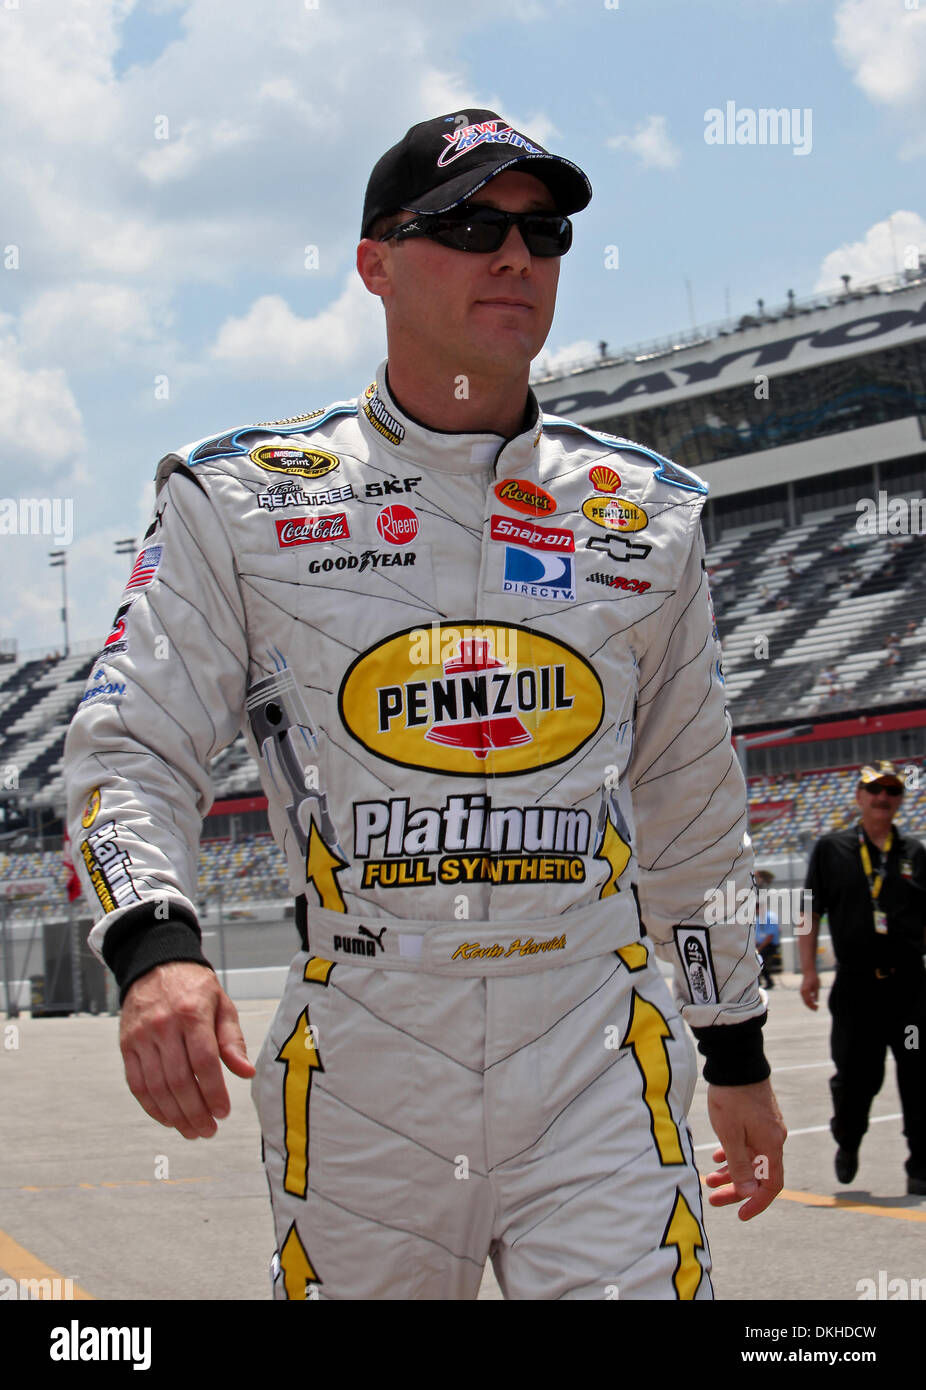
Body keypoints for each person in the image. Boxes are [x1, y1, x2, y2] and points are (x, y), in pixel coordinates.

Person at [64, 109, 785, 1300]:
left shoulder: (642, 517)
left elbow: (690, 804)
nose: (515, 257)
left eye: (541, 231)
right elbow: (127, 745)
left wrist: (735, 1046)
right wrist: (152, 947)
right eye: (466, 225)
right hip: (364, 1056)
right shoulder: (241, 499)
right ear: (374, 263)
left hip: (593, 1042)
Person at [799, 761, 926, 1193]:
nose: (883, 798)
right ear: (859, 796)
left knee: (917, 1071)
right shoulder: (831, 849)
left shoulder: (914, 853)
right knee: (856, 1075)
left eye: (891, 791)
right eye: (875, 790)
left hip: (909, 989)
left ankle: (920, 1165)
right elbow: (809, 912)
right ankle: (848, 1138)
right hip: (856, 988)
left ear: (900, 800)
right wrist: (809, 972)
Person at [754, 869, 781, 988]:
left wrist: (759, 948)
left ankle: (768, 981)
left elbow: (769, 936)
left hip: (768, 945)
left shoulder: (768, 916)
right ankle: (758, 982)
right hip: (762, 944)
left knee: (760, 957)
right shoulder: (757, 918)